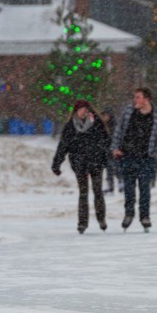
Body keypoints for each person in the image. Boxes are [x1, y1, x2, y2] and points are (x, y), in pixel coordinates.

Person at [111, 88, 157, 232]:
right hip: (128, 155)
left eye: (138, 97)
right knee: (129, 188)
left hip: (147, 157)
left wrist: (156, 153)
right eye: (135, 97)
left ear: (146, 99)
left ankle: (145, 216)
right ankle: (129, 214)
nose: (135, 100)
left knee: (145, 188)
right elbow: (119, 130)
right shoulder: (128, 112)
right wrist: (115, 148)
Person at [52, 100, 111, 234]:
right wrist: (56, 163)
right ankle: (82, 223)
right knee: (83, 193)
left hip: (96, 162)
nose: (84, 111)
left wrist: (106, 158)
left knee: (98, 191)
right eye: (81, 109)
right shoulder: (70, 127)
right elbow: (63, 146)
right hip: (79, 163)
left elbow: (106, 141)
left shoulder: (97, 123)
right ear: (76, 111)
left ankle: (101, 218)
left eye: (86, 109)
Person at [100, 108, 121, 194]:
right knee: (109, 169)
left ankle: (121, 183)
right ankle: (110, 186)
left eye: (105, 115)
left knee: (117, 168)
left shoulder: (115, 126)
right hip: (106, 151)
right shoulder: (102, 126)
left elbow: (117, 138)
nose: (104, 117)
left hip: (115, 150)